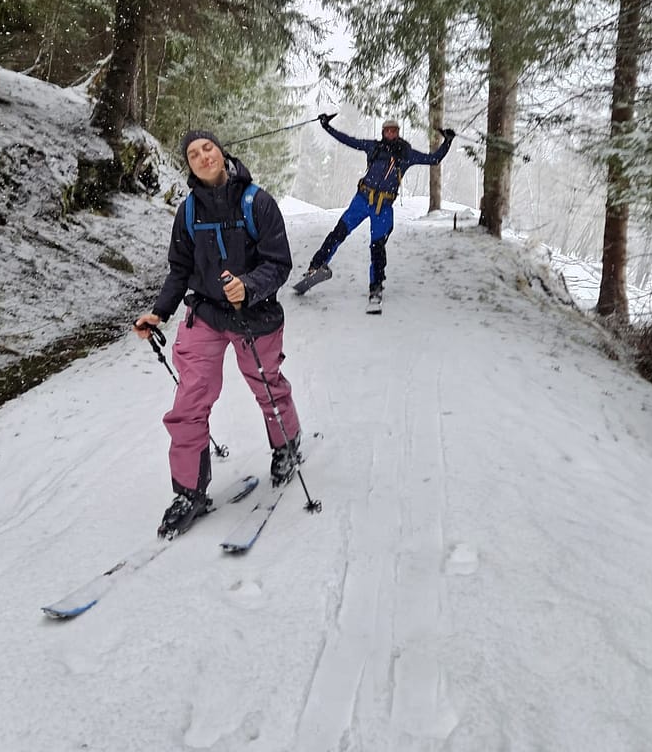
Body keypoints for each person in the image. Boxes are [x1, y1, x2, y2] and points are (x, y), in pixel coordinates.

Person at [134, 130, 303, 539]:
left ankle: (287, 447)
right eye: (193, 153)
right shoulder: (189, 212)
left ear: (221, 152)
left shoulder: (257, 202)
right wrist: (159, 313)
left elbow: (279, 263)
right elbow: (179, 269)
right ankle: (189, 492)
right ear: (188, 165)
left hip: (255, 315)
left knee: (268, 386)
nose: (202, 155)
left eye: (207, 147)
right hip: (207, 314)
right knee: (189, 401)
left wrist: (249, 286)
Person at [296, 115, 455, 304]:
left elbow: (434, 159)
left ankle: (376, 286)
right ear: (383, 132)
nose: (391, 133)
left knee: (377, 248)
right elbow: (348, 140)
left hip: (383, 207)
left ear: (397, 132)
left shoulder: (406, 154)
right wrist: (326, 126)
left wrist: (448, 141)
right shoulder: (373, 147)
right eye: (388, 130)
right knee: (338, 233)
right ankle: (316, 267)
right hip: (362, 199)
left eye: (394, 130)